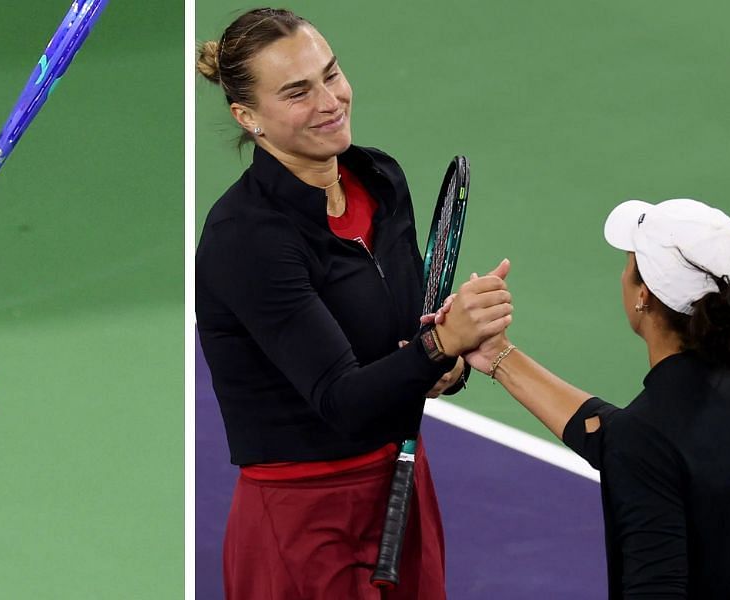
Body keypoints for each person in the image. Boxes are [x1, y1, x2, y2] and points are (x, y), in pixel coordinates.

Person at [195, 8, 513, 599]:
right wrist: (440, 344)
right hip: (303, 519)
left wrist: (450, 361)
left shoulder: (380, 180)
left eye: (330, 73)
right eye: (297, 92)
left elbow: (402, 346)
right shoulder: (246, 237)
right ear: (249, 118)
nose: (329, 100)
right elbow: (341, 399)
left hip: (401, 489)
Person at [448, 198, 730, 597]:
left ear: (643, 294)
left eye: (630, 262)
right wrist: (500, 357)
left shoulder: (647, 437)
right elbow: (632, 443)